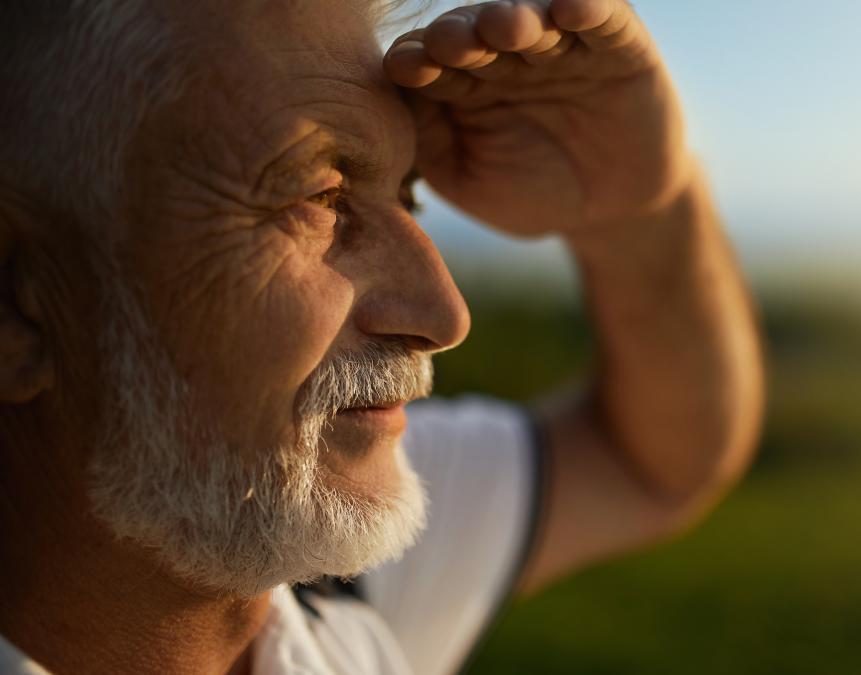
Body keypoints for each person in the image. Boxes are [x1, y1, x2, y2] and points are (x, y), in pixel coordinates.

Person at [0, 0, 764, 672]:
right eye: (319, 197)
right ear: (17, 305)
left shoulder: (330, 562)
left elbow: (657, 457)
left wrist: (636, 212)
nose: (444, 315)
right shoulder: (302, 527)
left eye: (408, 196)